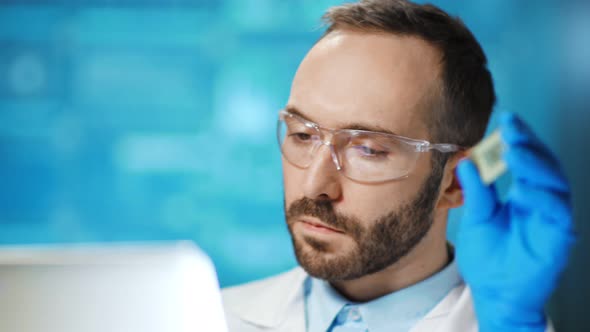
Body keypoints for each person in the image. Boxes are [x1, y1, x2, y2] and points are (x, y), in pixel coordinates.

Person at [221, 1, 575, 331]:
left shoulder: (501, 321)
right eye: (302, 135)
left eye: (369, 150)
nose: (315, 186)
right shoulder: (207, 316)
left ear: (455, 184)